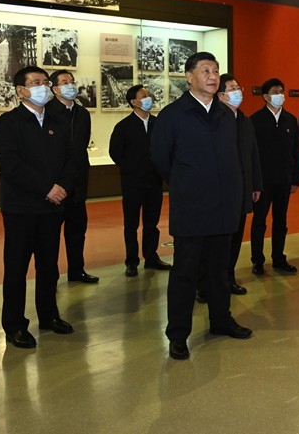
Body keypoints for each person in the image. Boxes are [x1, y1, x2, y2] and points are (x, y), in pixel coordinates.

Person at [152, 52, 252, 361]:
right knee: (185, 273)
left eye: (216, 71)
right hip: (192, 207)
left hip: (223, 207)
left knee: (220, 270)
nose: (212, 76)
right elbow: (161, 160)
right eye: (205, 70)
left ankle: (221, 320)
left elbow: (234, 159)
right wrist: (188, 184)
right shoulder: (173, 115)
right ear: (189, 76)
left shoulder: (225, 115)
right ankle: (178, 334)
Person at [0, 66, 79, 349]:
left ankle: (49, 316)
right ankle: (14, 325)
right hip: (21, 209)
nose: (44, 87)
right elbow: (11, 165)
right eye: (36, 83)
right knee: (17, 269)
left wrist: (62, 187)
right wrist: (46, 189)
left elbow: (73, 159)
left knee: (49, 267)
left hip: (53, 208)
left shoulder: (58, 121)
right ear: (21, 91)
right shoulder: (9, 123)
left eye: (45, 82)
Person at [196, 73, 262, 302]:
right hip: (219, 191)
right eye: (232, 89)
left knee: (235, 237)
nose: (238, 92)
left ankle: (228, 278)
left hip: (241, 190)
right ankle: (204, 284)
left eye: (238, 88)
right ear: (221, 95)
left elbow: (253, 155)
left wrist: (255, 184)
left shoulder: (244, 120)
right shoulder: (214, 119)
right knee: (213, 241)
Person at [109, 85, 171, 277]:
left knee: (152, 223)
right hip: (132, 183)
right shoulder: (123, 126)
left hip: (154, 182)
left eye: (148, 94)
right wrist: (130, 168)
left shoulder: (158, 123)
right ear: (134, 102)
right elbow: (115, 152)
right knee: (131, 225)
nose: (148, 97)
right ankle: (131, 261)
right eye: (144, 95)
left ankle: (151, 256)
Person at [47, 69, 98, 284]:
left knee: (77, 230)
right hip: (55, 184)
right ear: (55, 89)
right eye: (65, 82)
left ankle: (77, 270)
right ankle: (50, 276)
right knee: (50, 235)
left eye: (72, 81)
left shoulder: (82, 113)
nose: (71, 85)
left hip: (78, 180)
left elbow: (81, 146)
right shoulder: (47, 111)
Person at [249, 78, 299, 275]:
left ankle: (279, 258)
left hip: (284, 180)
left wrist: (295, 178)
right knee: (259, 221)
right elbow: (252, 154)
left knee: (281, 221)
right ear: (265, 96)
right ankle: (257, 260)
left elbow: (295, 152)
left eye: (281, 91)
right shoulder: (255, 120)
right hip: (263, 182)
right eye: (275, 92)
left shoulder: (291, 120)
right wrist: (254, 182)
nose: (279, 95)